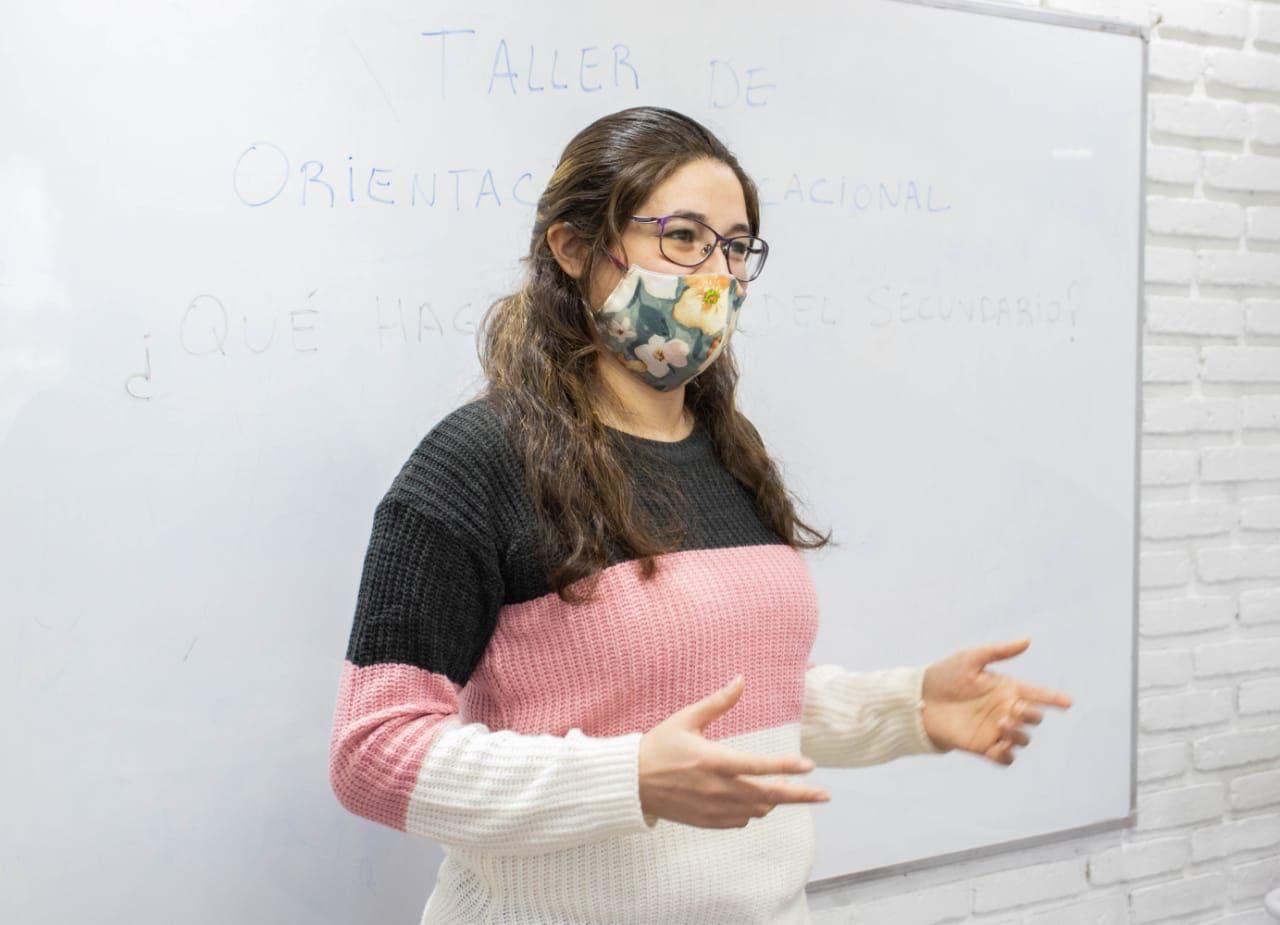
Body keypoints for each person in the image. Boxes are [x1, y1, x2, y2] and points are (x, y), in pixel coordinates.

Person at [327, 105, 1072, 924]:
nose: (715, 274)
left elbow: (723, 694)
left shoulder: (728, 451)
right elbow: (373, 750)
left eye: (735, 245)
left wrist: (905, 707)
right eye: (681, 237)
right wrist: (630, 780)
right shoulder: (479, 462)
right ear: (574, 248)